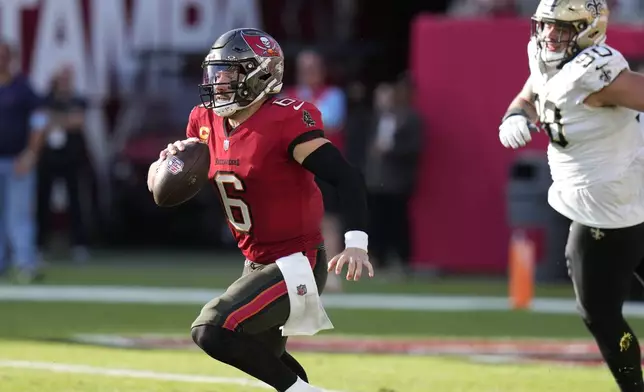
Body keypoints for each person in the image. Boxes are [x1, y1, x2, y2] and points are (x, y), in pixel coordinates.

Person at [146, 28, 373, 392]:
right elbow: (172, 184)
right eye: (215, 72)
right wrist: (166, 167)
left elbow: (346, 177)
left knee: (212, 329)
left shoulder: (284, 121)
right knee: (267, 358)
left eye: (228, 72)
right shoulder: (204, 121)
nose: (217, 82)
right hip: (255, 262)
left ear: (260, 75)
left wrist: (356, 242)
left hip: (296, 260)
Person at [499, 1, 644, 391]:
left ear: (588, 30)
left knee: (599, 312)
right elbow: (532, 89)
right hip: (614, 201)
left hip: (611, 211)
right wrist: (516, 112)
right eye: (545, 26)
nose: (548, 36)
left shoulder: (593, 71)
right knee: (599, 310)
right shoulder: (548, 58)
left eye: (561, 28)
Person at [0, 40, 48, 283]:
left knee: (19, 215)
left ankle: (24, 263)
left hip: (17, 160)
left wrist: (31, 154)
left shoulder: (22, 88)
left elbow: (39, 122)